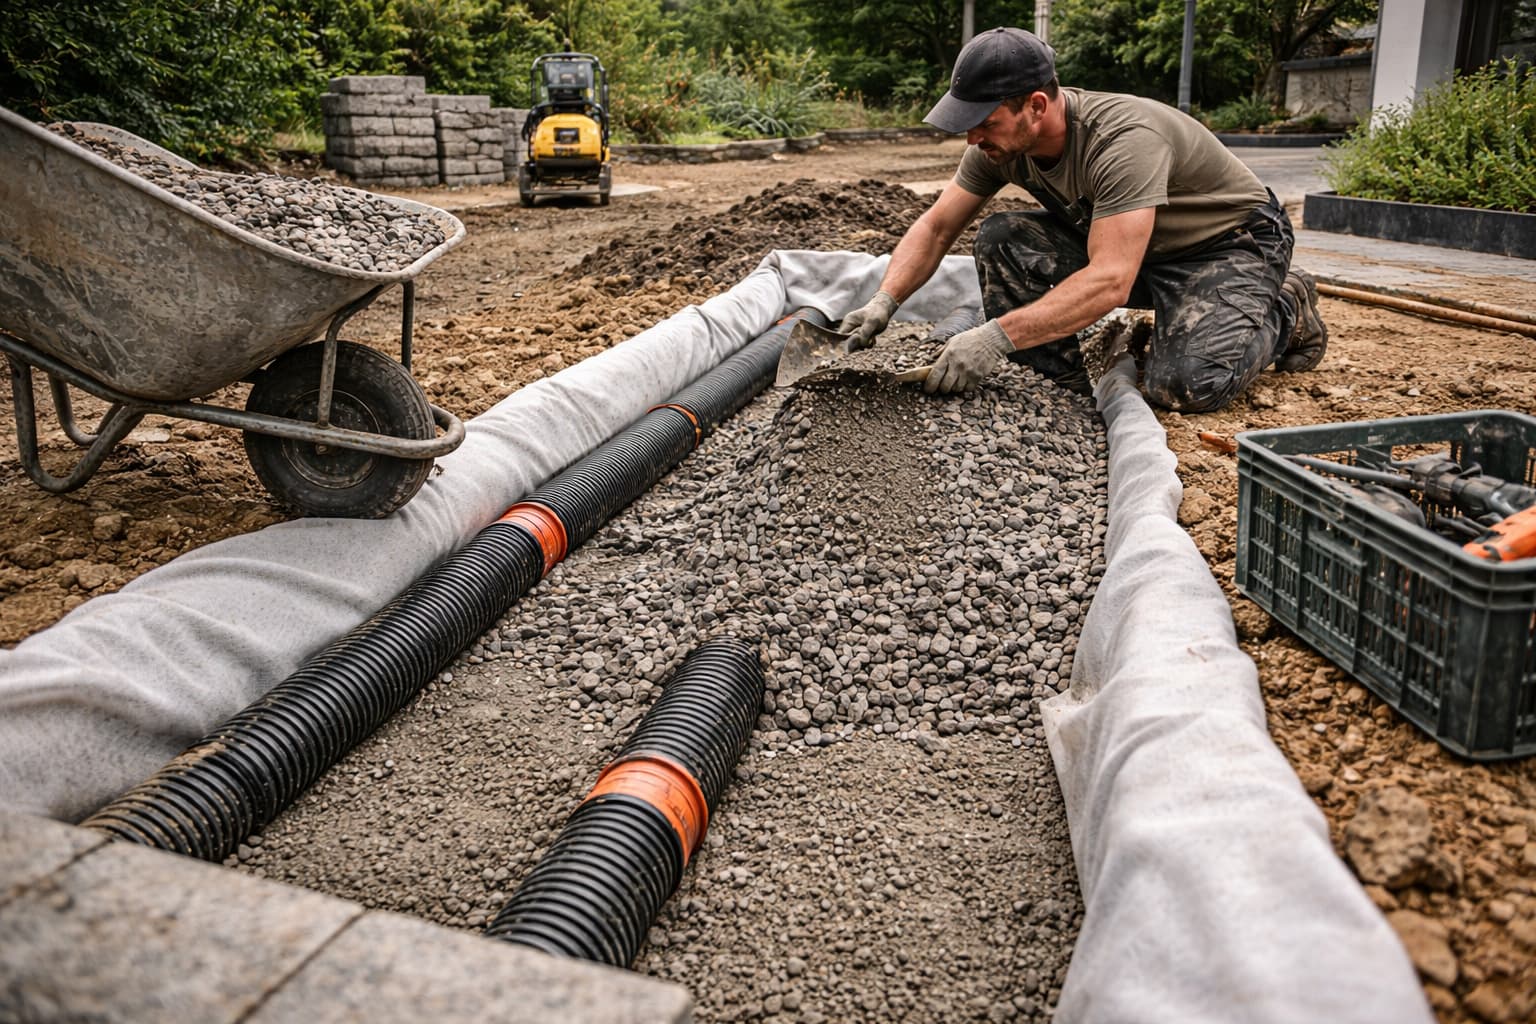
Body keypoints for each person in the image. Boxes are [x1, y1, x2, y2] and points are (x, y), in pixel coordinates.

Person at [838, 26, 1328, 411]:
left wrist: (993, 338)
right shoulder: (997, 147)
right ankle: (1059, 385)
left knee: (1185, 386)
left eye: (984, 123)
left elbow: (1111, 280)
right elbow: (937, 227)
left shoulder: (1122, 141)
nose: (972, 139)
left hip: (1229, 246)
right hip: (1140, 251)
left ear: (1036, 105)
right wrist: (885, 300)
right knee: (1002, 236)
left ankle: (1287, 307)